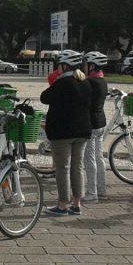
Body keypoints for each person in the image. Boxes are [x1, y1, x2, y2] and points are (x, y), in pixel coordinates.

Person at [41, 49, 90, 215]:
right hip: (82, 130)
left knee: (62, 168)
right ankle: (77, 203)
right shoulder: (85, 82)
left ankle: (62, 205)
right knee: (78, 167)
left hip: (62, 132)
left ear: (64, 65)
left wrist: (57, 79)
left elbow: (44, 97)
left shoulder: (62, 83)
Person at [81, 51, 109, 202]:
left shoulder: (89, 83)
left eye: (86, 64)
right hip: (101, 122)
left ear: (92, 66)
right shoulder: (103, 81)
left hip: (90, 124)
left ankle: (92, 193)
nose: (84, 67)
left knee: (89, 159)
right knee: (99, 157)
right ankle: (101, 188)